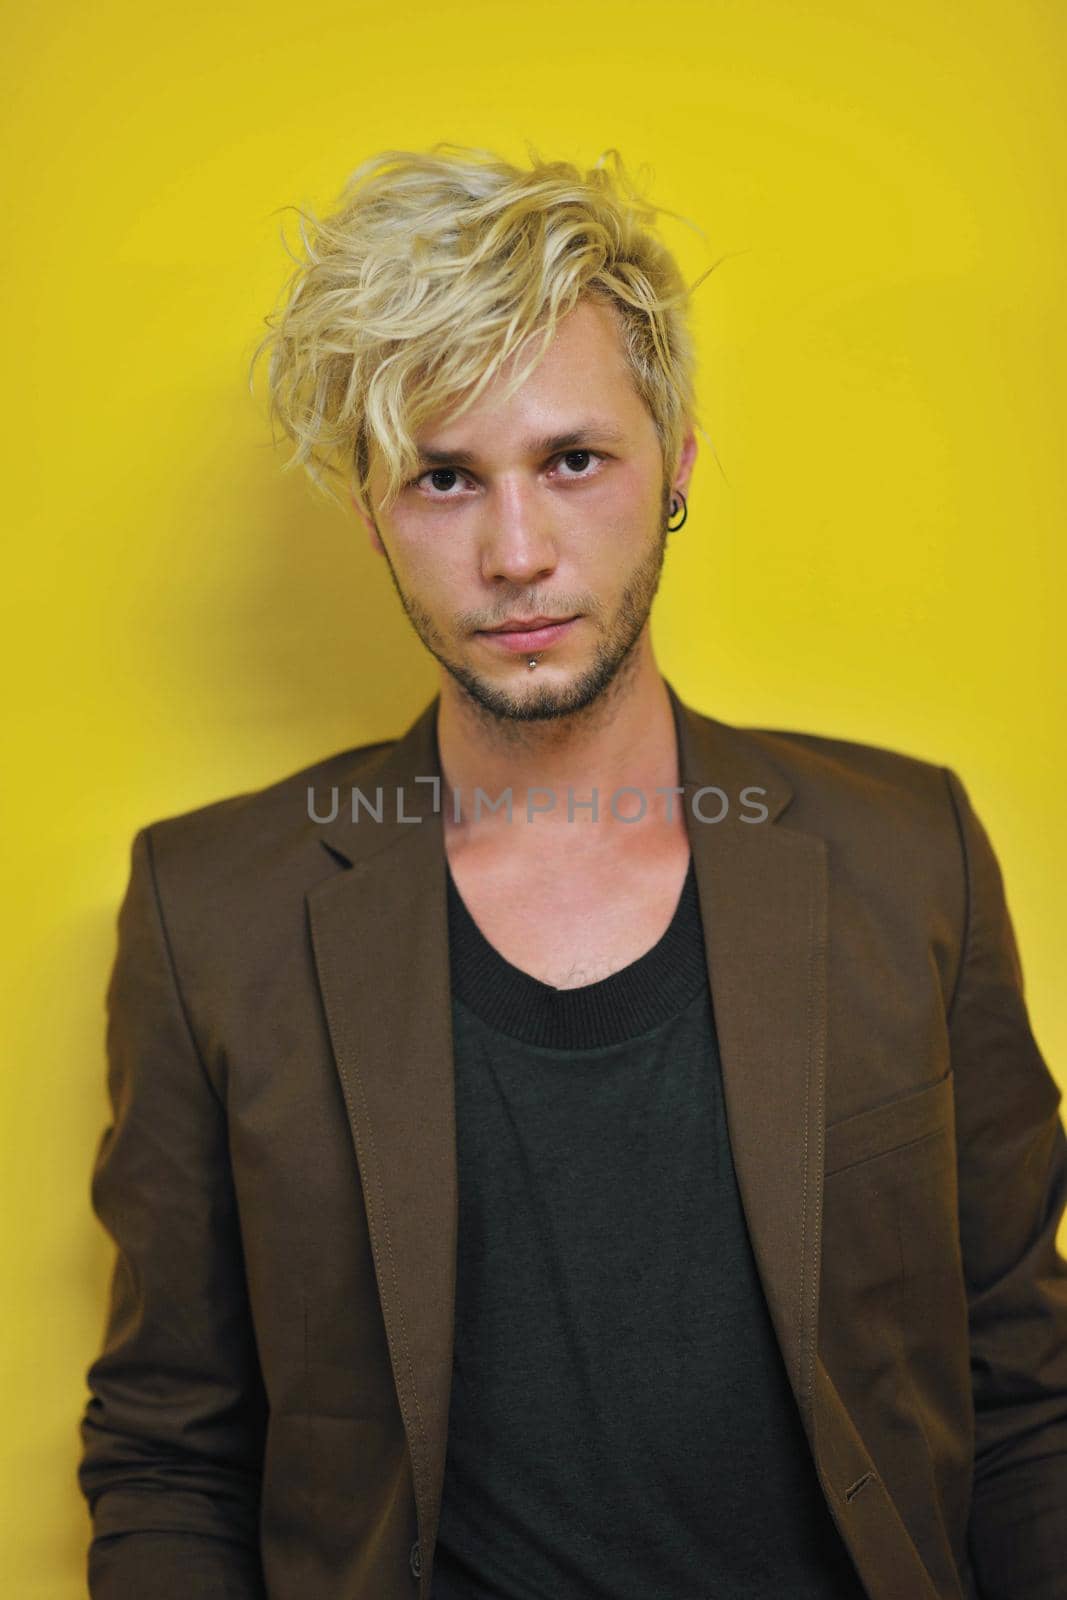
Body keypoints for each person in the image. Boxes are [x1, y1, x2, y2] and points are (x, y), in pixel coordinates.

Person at [77, 146, 1067, 1600]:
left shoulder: (905, 855)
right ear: (366, 507)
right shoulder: (210, 916)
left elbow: (1025, 1392)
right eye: (443, 478)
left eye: (573, 459)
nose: (517, 552)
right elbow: (170, 1451)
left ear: (675, 461)